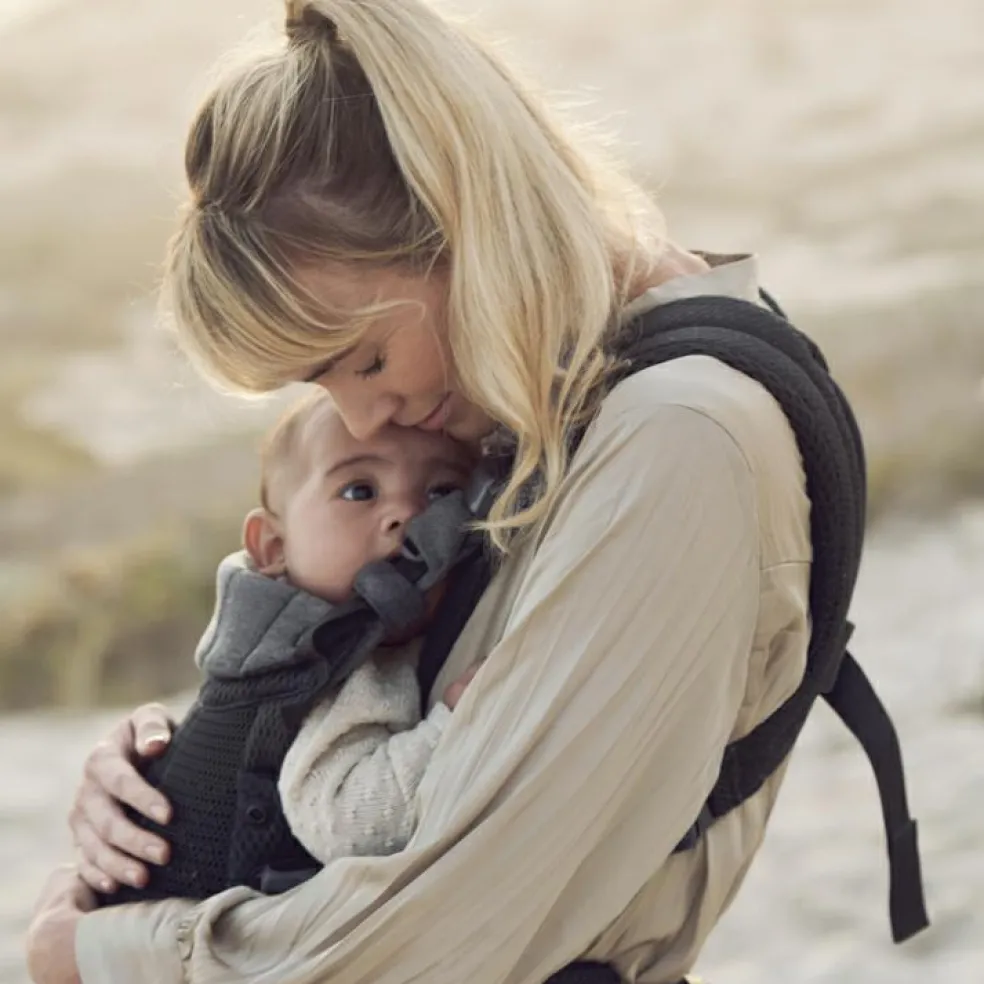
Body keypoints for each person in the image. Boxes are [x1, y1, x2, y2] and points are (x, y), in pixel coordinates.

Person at [27, 1, 820, 981]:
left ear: (468, 221)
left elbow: (442, 930)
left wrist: (100, 955)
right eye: (321, 388)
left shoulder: (676, 437)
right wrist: (183, 772)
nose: (363, 421)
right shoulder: (582, 405)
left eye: (362, 358)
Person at [97, 389, 479, 907]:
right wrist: (453, 726)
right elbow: (349, 822)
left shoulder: (260, 650)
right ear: (274, 547)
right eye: (359, 490)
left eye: (441, 493)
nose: (407, 514)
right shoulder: (344, 665)